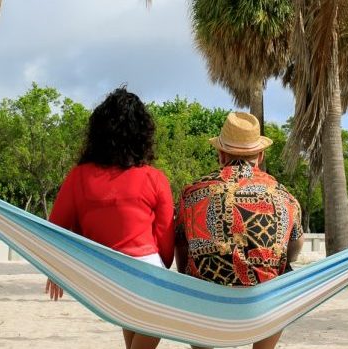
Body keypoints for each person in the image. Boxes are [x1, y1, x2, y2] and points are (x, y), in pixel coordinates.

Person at [45, 88, 174, 349]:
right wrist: (163, 267)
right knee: (162, 316)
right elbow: (165, 244)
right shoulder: (154, 178)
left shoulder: (78, 177)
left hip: (100, 276)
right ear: (143, 134)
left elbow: (54, 228)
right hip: (144, 271)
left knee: (134, 318)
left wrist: (55, 270)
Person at [174, 111, 304, 349]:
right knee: (286, 276)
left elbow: (181, 243)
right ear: (261, 155)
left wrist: (186, 276)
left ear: (221, 154)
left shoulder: (192, 193)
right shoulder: (285, 196)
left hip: (207, 303)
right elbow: (295, 245)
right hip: (262, 304)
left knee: (193, 278)